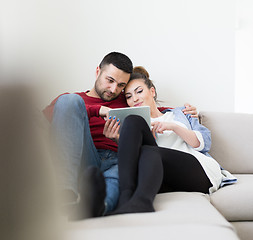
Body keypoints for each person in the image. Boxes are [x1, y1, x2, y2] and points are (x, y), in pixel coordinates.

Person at [43, 52, 198, 218]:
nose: (113, 89)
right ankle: (67, 197)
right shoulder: (75, 100)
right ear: (98, 72)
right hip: (86, 155)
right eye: (110, 80)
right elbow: (56, 114)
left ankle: (97, 207)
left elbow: (154, 111)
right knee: (70, 101)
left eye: (121, 85)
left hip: (120, 159)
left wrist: (185, 112)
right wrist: (98, 110)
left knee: (119, 178)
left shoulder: (126, 100)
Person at [103, 68, 236, 215]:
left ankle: (141, 201)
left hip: (199, 172)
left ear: (152, 92)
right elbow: (136, 160)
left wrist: (172, 126)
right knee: (134, 122)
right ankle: (125, 198)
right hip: (162, 174)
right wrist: (118, 140)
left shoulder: (179, 114)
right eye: (129, 96)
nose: (134, 99)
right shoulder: (135, 126)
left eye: (139, 91)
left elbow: (203, 143)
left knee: (150, 151)